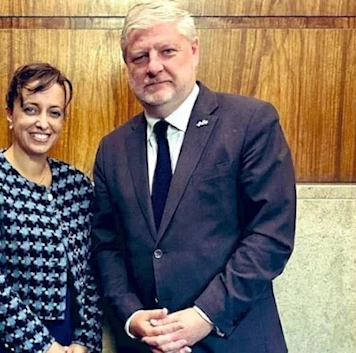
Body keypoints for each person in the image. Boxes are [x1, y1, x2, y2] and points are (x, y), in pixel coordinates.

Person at [91, 1, 296, 353]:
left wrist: (204, 315)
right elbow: (105, 245)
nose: (154, 67)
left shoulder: (251, 122)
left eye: (167, 50)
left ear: (194, 50)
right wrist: (130, 314)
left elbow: (270, 235)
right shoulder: (112, 149)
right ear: (128, 66)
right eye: (140, 57)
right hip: (147, 344)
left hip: (234, 338)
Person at [0, 63, 102, 353]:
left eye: (54, 112)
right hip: (3, 339)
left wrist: (84, 341)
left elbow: (90, 275)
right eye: (31, 109)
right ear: (10, 113)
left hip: (69, 341)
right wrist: (44, 347)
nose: (43, 123)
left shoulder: (77, 185)